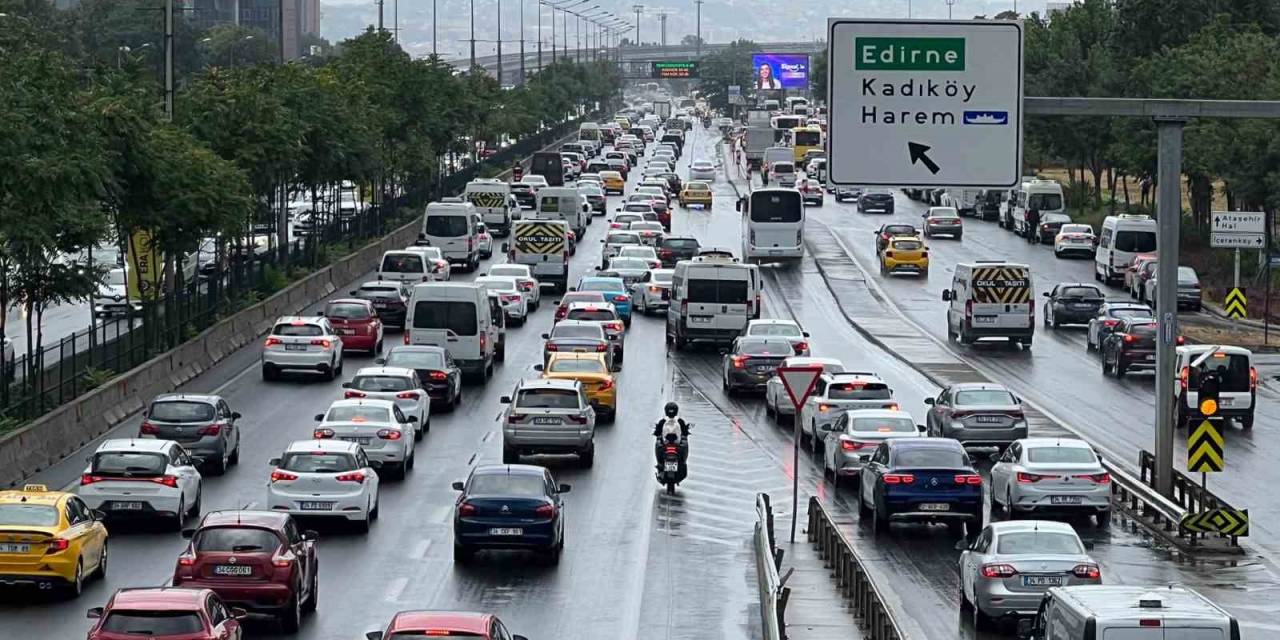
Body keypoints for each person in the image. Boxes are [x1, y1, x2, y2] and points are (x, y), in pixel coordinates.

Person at [652, 401, 691, 471]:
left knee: (658, 444)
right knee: (685, 444)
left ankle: (659, 463)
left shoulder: (662, 421)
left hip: (666, 445)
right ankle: (682, 462)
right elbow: (685, 432)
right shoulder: (680, 421)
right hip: (677, 446)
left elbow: (657, 432)